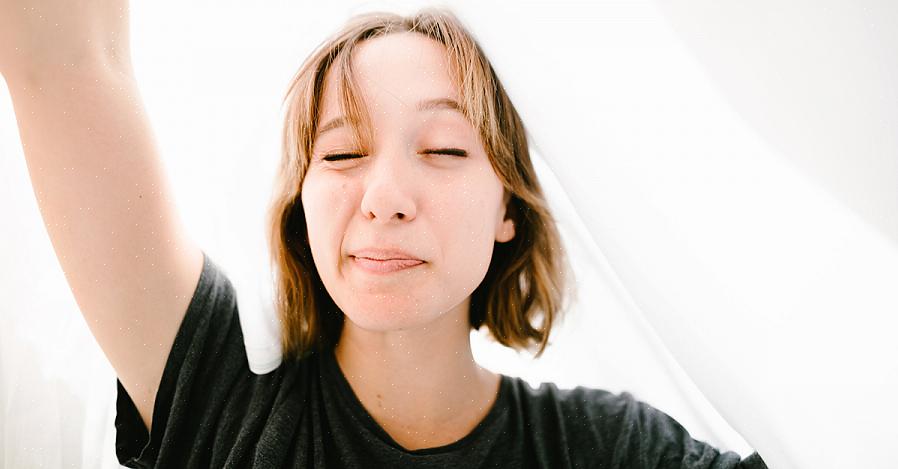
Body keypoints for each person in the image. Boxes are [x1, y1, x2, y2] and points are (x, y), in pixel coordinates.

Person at [1, 2, 767, 467]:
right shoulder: (219, 399)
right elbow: (61, 58)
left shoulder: (611, 448)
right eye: (342, 154)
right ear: (301, 204)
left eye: (443, 149)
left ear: (508, 205)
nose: (386, 198)